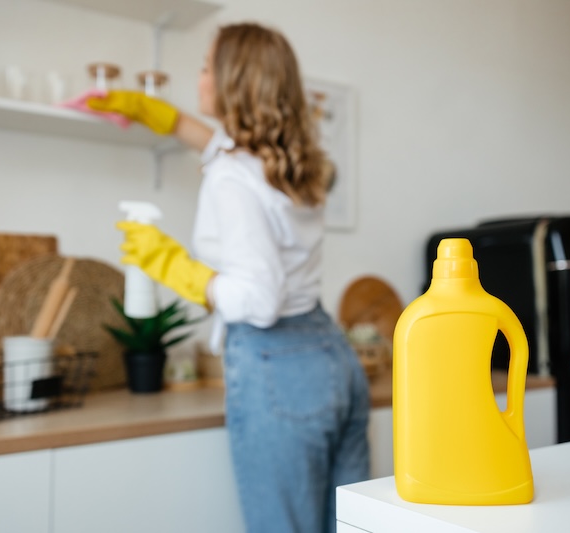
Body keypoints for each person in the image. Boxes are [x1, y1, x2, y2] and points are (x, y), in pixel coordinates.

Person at [80, 22, 370, 533]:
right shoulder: (291, 162)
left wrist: (177, 269)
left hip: (277, 363)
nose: (199, 76)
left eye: (207, 66)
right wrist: (158, 116)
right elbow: (214, 142)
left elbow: (258, 300)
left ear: (233, 81)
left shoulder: (233, 177)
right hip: (332, 357)